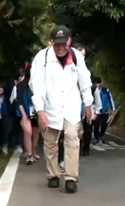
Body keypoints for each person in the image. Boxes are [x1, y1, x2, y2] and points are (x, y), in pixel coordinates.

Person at [30, 25, 94, 194]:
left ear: (69, 42)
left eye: (63, 44)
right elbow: (36, 85)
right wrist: (40, 110)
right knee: (50, 142)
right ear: (51, 42)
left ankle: (71, 178)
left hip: (71, 106)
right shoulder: (42, 58)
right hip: (50, 106)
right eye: (56, 44)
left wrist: (88, 104)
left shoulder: (77, 56)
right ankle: (53, 175)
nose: (60, 48)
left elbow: (85, 80)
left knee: (72, 139)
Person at [16, 66, 41, 165]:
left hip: (36, 111)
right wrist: (23, 114)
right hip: (25, 110)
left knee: (35, 132)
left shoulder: (39, 84)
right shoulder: (21, 85)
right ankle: (29, 154)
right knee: (27, 132)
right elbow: (19, 100)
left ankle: (33, 151)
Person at [93, 77, 115, 145]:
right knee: (96, 126)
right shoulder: (93, 91)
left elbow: (110, 99)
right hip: (96, 112)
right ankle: (97, 138)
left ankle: (101, 136)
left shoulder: (106, 90)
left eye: (99, 83)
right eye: (97, 83)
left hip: (104, 111)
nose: (98, 84)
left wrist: (113, 109)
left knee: (103, 125)